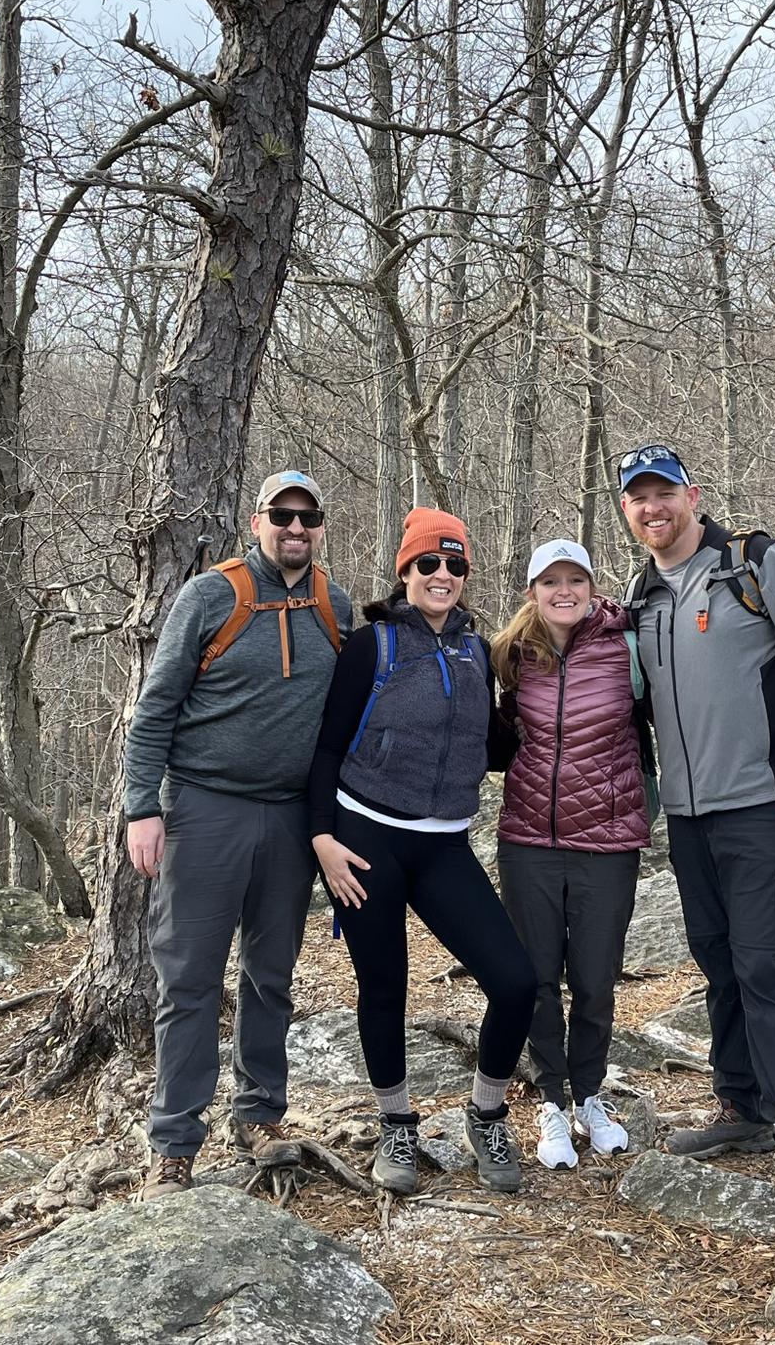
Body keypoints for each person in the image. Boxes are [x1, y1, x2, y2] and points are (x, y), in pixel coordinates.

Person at [617, 443, 775, 1223]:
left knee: (765, 969)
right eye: (637, 499)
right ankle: (740, 1104)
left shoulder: (752, 562)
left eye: (664, 494)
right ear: (627, 511)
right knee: (717, 964)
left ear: (693, 495)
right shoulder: (641, 594)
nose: (653, 509)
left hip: (763, 806)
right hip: (687, 816)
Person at [123, 470, 354, 1200]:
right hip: (203, 810)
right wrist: (142, 808)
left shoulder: (333, 605)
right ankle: (174, 1142)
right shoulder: (210, 597)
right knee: (189, 980)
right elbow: (154, 709)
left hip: (291, 818)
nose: (295, 527)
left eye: (307, 516)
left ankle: (259, 1113)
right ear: (256, 522)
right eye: (281, 515)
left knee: (271, 975)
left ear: (320, 526)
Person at [309, 508, 537, 1196]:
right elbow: (324, 750)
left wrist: (530, 709)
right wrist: (323, 841)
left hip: (444, 845)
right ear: (404, 570)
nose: (442, 576)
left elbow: (488, 749)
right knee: (385, 987)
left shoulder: (477, 652)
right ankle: (396, 1126)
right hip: (367, 840)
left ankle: (486, 1112)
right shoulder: (370, 646)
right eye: (428, 564)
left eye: (455, 565)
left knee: (516, 982)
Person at [491, 538, 652, 1171]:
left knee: (594, 978)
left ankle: (590, 1094)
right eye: (550, 581)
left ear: (591, 587)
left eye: (575, 580)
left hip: (608, 842)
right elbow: (495, 734)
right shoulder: (511, 655)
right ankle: (550, 1101)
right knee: (534, 980)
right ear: (532, 591)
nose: (564, 591)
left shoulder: (627, 646)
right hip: (528, 838)